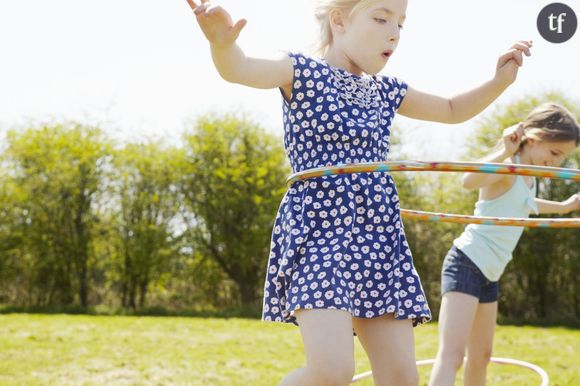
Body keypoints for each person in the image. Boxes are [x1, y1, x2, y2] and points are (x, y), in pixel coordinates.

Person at [187, 0, 532, 384]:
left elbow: (451, 109)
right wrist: (221, 44)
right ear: (339, 21)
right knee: (332, 371)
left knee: (402, 377)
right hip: (320, 232)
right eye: (381, 18)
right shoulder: (300, 71)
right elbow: (241, 68)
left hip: (377, 238)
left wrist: (500, 81)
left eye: (401, 24)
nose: (394, 33)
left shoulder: (386, 91)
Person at [429, 102, 580, 386]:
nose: (557, 163)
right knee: (452, 354)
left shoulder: (528, 177)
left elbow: (523, 205)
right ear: (533, 138)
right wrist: (504, 150)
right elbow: (468, 180)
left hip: (490, 273)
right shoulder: (507, 168)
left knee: (481, 355)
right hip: (467, 263)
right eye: (555, 153)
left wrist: (565, 206)